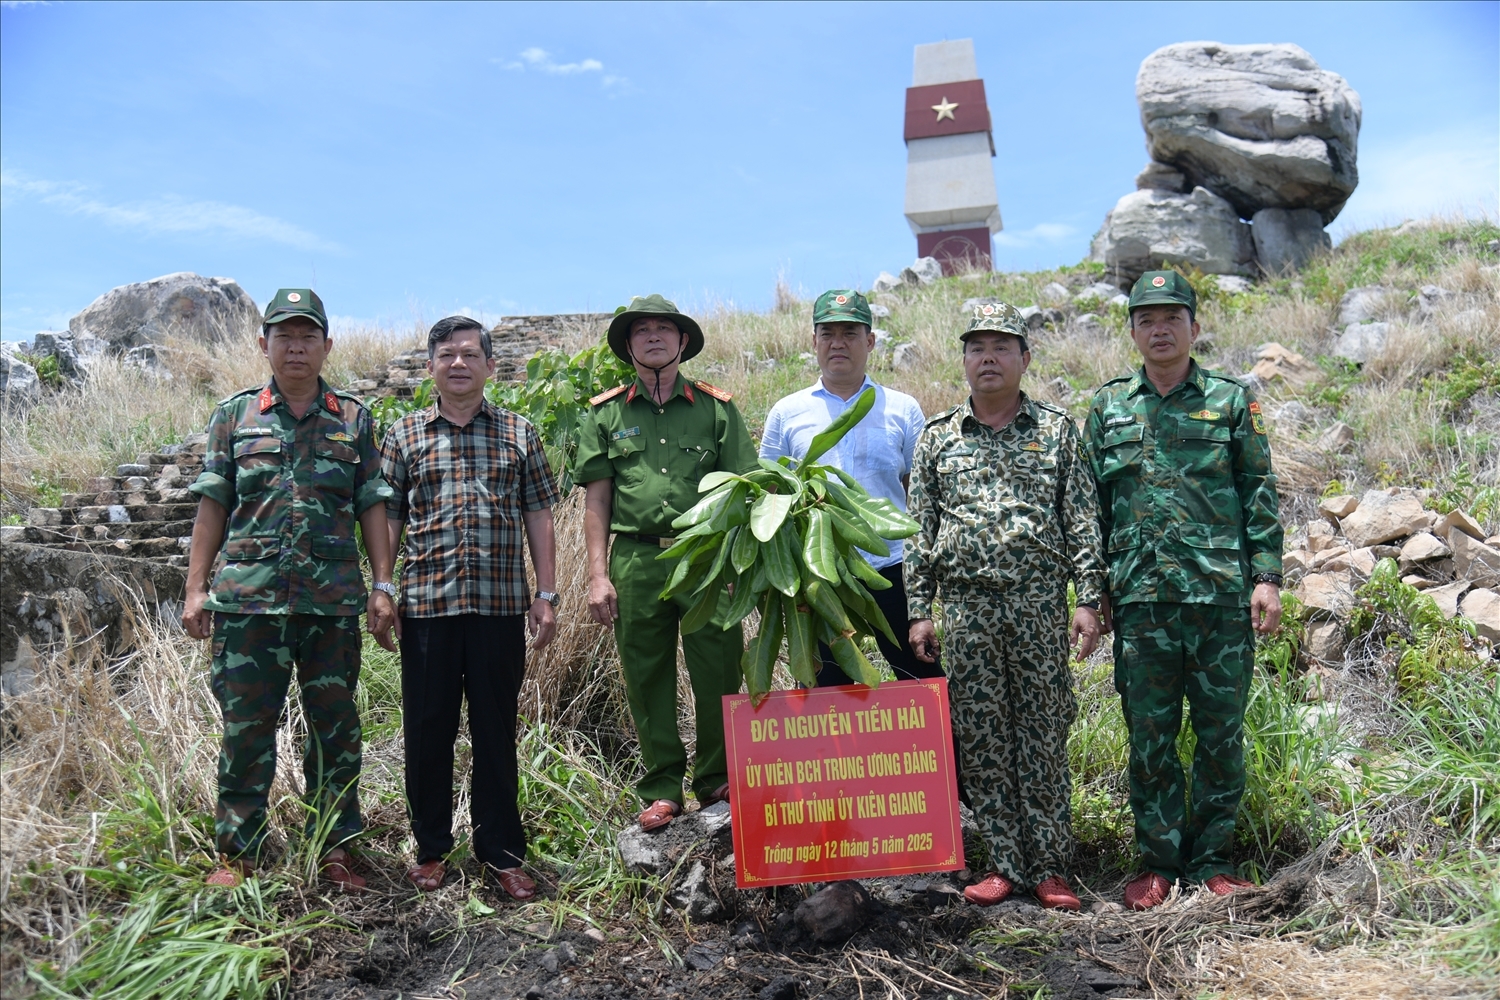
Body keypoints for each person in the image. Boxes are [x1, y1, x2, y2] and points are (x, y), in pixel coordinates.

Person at [182, 288, 396, 892]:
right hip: (249, 602)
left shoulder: (353, 418)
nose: (295, 346)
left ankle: (335, 849)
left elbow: (372, 506)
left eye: (307, 336)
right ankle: (239, 853)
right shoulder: (235, 416)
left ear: (327, 345)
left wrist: (382, 584)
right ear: (264, 344)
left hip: (330, 605)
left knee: (336, 729)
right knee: (246, 728)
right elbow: (213, 504)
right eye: (284, 335)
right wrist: (195, 589)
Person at [1083, 270, 1283, 911]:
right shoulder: (1109, 406)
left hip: (1221, 600)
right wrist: (1095, 589)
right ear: (1134, 331)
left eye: (1172, 316)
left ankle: (1214, 861)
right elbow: (1093, 508)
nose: (1160, 328)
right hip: (1141, 601)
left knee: (1221, 736)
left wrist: (1268, 578)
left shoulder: (1230, 400)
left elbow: (1258, 489)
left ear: (1194, 327)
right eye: (1147, 318)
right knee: (1150, 736)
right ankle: (1158, 861)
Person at [905, 302, 1106, 911]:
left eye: (1000, 347)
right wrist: (920, 607)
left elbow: (1081, 519)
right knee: (983, 735)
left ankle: (1049, 866)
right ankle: (1002, 863)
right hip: (966, 608)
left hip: (1038, 602)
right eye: (976, 348)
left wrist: (1088, 599)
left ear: (1024, 358)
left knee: (1042, 730)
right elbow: (918, 527)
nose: (987, 358)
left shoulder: (1056, 431)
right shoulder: (938, 436)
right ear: (964, 359)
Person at [379, 315, 561, 900]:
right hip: (428, 611)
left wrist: (547, 593)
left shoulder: (518, 433)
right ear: (430, 366)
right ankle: (430, 850)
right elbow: (387, 518)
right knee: (427, 732)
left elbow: (539, 513)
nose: (458, 363)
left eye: (469, 354)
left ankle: (503, 854)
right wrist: (383, 587)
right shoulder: (404, 435)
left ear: (489, 365)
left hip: (499, 609)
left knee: (495, 732)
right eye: (446, 354)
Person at [575, 294, 758, 831]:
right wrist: (597, 574)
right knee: (645, 672)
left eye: (664, 329)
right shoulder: (606, 413)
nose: (653, 336)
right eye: (642, 330)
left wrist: (737, 566)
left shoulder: (716, 409)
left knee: (718, 668)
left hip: (705, 557)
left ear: (682, 342)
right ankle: (661, 787)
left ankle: (716, 779)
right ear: (628, 345)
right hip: (635, 559)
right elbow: (597, 500)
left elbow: (744, 492)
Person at [759, 289, 934, 687]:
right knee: (828, 694)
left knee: (922, 682)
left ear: (870, 341)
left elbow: (921, 493)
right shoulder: (787, 413)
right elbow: (769, 493)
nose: (838, 343)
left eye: (850, 333)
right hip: (820, 577)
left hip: (892, 569)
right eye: (827, 333)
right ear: (813, 342)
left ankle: (939, 752)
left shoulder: (902, 408)